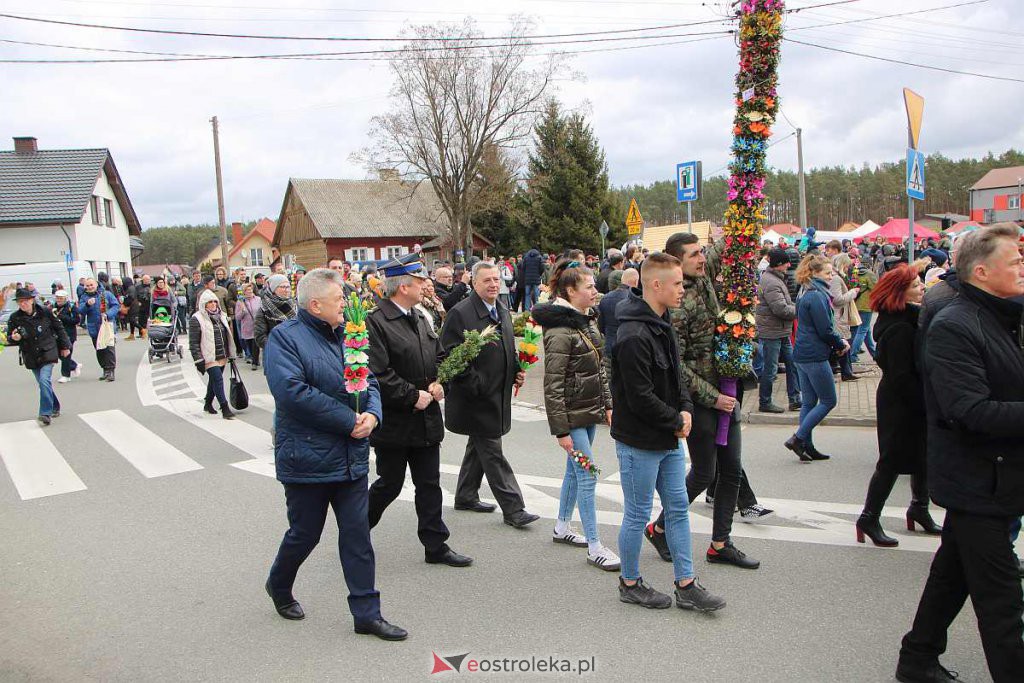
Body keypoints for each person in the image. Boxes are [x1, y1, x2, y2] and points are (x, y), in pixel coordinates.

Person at [896, 224, 1024, 683]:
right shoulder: (954, 324)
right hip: (977, 483)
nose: (1023, 267)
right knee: (1003, 603)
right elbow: (968, 410)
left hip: (1000, 478)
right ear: (983, 272)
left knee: (952, 576)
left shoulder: (1004, 315)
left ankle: (917, 658)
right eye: (1015, 261)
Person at [264, 268, 406, 642]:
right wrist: (348, 420)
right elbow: (292, 393)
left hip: (352, 458)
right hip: (307, 460)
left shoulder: (349, 335)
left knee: (357, 537)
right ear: (315, 304)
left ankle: (367, 613)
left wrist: (373, 414)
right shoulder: (284, 339)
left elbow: (369, 380)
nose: (345, 304)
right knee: (305, 534)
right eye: (339, 299)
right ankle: (279, 583)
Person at [610, 253, 725, 612]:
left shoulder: (664, 324)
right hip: (640, 443)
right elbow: (638, 396)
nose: (682, 289)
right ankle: (629, 583)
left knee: (677, 509)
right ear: (655, 285)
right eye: (676, 283)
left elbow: (678, 377)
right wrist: (677, 420)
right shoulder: (632, 335)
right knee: (637, 513)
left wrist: (687, 409)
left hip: (668, 439)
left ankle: (686, 584)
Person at [644, 232, 764, 566]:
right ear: (675, 264)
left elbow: (720, 254)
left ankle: (720, 544)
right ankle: (661, 527)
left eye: (701, 252)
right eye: (694, 254)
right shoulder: (678, 308)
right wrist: (713, 399)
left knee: (731, 472)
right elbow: (677, 367)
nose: (701, 258)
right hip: (703, 401)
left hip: (727, 390)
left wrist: (741, 221)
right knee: (704, 472)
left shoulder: (704, 277)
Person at [365, 259, 472, 569]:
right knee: (390, 484)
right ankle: (356, 531)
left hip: (425, 420)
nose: (426, 284)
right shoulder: (376, 322)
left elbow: (437, 355)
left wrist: (442, 382)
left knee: (429, 484)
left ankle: (435, 544)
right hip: (396, 422)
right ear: (403, 286)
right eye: (418, 279)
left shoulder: (419, 317)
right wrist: (413, 396)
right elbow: (378, 373)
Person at [531, 260, 620, 572]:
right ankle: (595, 545)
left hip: (588, 413)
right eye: (589, 287)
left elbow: (600, 369)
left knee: (574, 472)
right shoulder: (559, 331)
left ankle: (562, 526)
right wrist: (561, 432)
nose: (596, 291)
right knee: (588, 473)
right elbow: (552, 385)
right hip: (571, 419)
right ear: (570, 291)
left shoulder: (586, 320)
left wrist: (607, 405)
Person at [441, 261, 539, 528]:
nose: (494, 285)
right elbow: (448, 356)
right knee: (492, 453)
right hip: (476, 400)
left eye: (497, 280)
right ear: (474, 283)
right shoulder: (460, 314)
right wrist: (478, 385)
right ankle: (514, 509)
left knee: (479, 447)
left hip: (497, 394)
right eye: (487, 281)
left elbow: (507, 346)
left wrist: (516, 370)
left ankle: (465, 495)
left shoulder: (501, 309)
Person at [854, 264, 939, 548]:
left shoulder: (907, 317)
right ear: (900, 293)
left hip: (907, 397)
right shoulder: (899, 327)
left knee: (922, 456)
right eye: (916, 285)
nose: (922, 288)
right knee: (890, 462)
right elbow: (901, 376)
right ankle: (869, 517)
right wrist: (926, 403)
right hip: (900, 402)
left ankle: (919, 508)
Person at [786, 255, 849, 462]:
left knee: (809, 402)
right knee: (829, 400)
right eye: (827, 273)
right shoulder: (817, 295)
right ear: (814, 273)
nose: (831, 277)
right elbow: (825, 329)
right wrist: (840, 344)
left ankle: (805, 445)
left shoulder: (806, 290)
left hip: (802, 352)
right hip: (813, 354)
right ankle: (799, 438)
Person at [7, 288, 71, 426]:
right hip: (30, 354)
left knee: (44, 380)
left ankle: (45, 413)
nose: (22, 304)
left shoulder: (45, 312)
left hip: (48, 350)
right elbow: (9, 337)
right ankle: (55, 406)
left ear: (31, 300)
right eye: (19, 302)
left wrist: (65, 346)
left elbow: (59, 328)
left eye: (25, 301)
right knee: (43, 383)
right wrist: (14, 338)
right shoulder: (15, 318)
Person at [755, 248, 800, 413]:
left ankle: (795, 399)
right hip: (772, 332)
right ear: (779, 264)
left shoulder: (775, 279)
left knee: (792, 363)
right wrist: (800, 309)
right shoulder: (772, 282)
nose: (789, 265)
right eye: (786, 262)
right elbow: (780, 309)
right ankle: (765, 402)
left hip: (781, 330)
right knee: (771, 369)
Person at [188, 290, 237, 420]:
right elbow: (193, 342)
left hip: (222, 354)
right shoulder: (196, 319)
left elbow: (228, 336)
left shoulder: (222, 316)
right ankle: (225, 407)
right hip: (208, 356)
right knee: (218, 379)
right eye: (210, 302)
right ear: (204, 304)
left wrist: (231, 353)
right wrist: (198, 359)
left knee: (214, 380)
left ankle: (208, 403)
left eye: (215, 301)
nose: (213, 304)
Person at [78, 278, 120, 382]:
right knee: (99, 350)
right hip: (94, 327)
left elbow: (116, 306)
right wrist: (87, 304)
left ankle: (111, 371)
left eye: (91, 285)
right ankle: (105, 369)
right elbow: (81, 311)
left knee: (109, 349)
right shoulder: (84, 297)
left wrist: (108, 314)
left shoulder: (106, 294)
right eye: (87, 286)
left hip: (107, 325)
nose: (89, 287)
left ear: (96, 284)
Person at [829, 253, 861, 381]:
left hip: (839, 315)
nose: (848, 269)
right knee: (843, 342)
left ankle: (847, 371)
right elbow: (837, 299)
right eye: (847, 266)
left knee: (843, 342)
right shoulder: (836, 278)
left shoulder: (835, 277)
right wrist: (853, 293)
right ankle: (845, 371)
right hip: (838, 315)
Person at [597, 267, 638, 360]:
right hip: (629, 349)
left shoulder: (605, 298)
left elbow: (601, 326)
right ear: (636, 282)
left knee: (611, 373)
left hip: (610, 347)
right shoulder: (635, 300)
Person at [254, 274, 297, 359]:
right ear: (273, 289)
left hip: (295, 352)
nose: (287, 290)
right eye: (283, 287)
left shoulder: (295, 305)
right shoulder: (264, 309)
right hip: (275, 355)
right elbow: (260, 337)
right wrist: (278, 347)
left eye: (288, 287)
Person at [849, 256, 878, 363]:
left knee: (866, 330)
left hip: (856, 304)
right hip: (866, 305)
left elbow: (851, 285)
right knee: (863, 330)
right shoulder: (869, 274)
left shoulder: (855, 272)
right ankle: (853, 354)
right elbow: (875, 288)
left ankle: (874, 353)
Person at [52, 290, 81, 383]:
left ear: (65, 298)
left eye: (61, 298)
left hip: (69, 334)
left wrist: (62, 317)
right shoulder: (52, 307)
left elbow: (76, 320)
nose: (59, 300)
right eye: (57, 298)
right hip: (56, 334)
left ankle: (65, 375)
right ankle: (74, 365)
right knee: (57, 353)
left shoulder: (71, 307)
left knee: (66, 354)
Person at [234, 282, 261, 369]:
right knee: (249, 344)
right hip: (246, 327)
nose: (249, 291)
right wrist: (242, 310)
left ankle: (254, 362)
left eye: (250, 289)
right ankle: (254, 358)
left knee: (255, 344)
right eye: (247, 290)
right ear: (244, 292)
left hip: (257, 326)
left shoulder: (258, 299)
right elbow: (237, 317)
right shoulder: (240, 302)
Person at [134, 275, 152, 340]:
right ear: (143, 280)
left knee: (150, 318)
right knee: (141, 319)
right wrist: (137, 302)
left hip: (149, 304)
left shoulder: (152, 285)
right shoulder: (138, 286)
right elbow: (134, 295)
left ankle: (150, 332)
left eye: (149, 280)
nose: (148, 281)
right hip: (141, 304)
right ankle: (141, 333)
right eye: (147, 280)